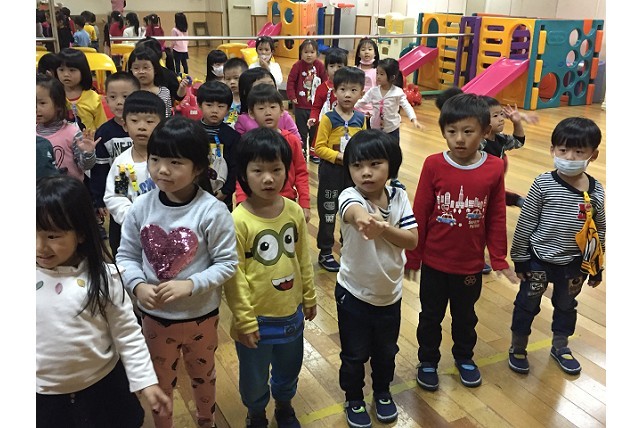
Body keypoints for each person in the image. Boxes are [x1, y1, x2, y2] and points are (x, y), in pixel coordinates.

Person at [116, 116, 238, 428]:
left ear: (198, 168)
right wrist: (137, 285)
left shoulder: (213, 211)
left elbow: (227, 263)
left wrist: (191, 284)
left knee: (203, 375)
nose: (162, 170)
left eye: (175, 162)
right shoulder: (140, 207)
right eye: (155, 159)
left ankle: (206, 420)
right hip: (155, 318)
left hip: (201, 317)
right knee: (160, 382)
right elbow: (126, 255)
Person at [36, 175, 172, 427]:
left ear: (80, 234)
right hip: (43, 397)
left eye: (52, 236)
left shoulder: (104, 278)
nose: (39, 246)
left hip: (103, 388)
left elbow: (127, 333)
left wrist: (146, 382)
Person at [405, 93, 519, 391]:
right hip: (434, 263)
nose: (459, 139)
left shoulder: (493, 167)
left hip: (469, 265)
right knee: (430, 316)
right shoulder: (433, 164)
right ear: (443, 131)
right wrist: (413, 256)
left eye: (468, 131)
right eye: (451, 131)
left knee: (465, 317)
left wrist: (498, 259)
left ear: (485, 132)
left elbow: (496, 216)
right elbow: (420, 213)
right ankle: (427, 361)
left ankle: (464, 357)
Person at [224, 127, 316, 428]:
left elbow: (302, 257)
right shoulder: (238, 221)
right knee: (253, 377)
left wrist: (309, 296)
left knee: (289, 368)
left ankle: (284, 405)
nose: (268, 178)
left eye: (276, 170)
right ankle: (256, 413)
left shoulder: (293, 211)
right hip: (256, 319)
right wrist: (245, 320)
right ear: (243, 173)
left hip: (290, 313)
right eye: (258, 171)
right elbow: (234, 277)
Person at [508, 117, 604, 376]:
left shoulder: (596, 191)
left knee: (566, 305)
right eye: (563, 150)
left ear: (593, 155)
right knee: (527, 304)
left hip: (574, 264)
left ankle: (560, 346)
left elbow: (599, 230)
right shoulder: (543, 184)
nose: (569, 157)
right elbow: (526, 222)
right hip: (538, 260)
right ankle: (518, 346)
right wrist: (520, 258)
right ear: (552, 150)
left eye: (579, 152)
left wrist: (596, 265)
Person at [335, 129, 418, 428]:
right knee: (354, 354)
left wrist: (383, 229)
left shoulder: (399, 196)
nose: (366, 173)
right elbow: (354, 212)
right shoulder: (350, 195)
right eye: (357, 166)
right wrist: (364, 219)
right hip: (353, 294)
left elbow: (412, 240)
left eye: (375, 164)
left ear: (391, 165)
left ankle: (382, 392)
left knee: (386, 353)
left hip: (390, 295)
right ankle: (354, 397)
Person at [314, 67, 367, 272]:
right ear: (334, 91)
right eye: (343, 89)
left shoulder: (361, 119)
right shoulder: (328, 118)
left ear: (361, 93)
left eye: (353, 90)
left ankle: (349, 249)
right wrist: (339, 157)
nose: (347, 94)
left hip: (352, 174)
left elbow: (364, 144)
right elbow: (319, 148)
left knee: (350, 211)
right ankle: (325, 251)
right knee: (328, 212)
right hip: (331, 172)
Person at [235, 84, 310, 222]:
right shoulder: (248, 143)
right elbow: (242, 175)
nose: (268, 112)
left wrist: (305, 203)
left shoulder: (291, 141)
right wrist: (241, 200)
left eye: (273, 107)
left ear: (282, 110)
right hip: (256, 203)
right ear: (251, 113)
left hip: (287, 201)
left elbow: (301, 173)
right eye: (261, 108)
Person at [103, 90, 165, 256]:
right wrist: (133, 219)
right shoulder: (124, 164)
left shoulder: (169, 159)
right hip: (134, 232)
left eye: (150, 121)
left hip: (167, 227)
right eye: (134, 121)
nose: (142, 126)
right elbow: (118, 196)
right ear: (125, 125)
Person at [355, 58, 423, 190]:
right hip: (375, 129)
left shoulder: (397, 92)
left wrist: (413, 119)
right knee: (375, 153)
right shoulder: (373, 91)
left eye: (381, 74)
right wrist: (350, 108)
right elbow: (362, 102)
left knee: (393, 153)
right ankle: (375, 175)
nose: (378, 77)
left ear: (391, 77)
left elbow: (406, 106)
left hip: (392, 129)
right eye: (377, 73)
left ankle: (394, 178)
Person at [90, 71, 140, 225]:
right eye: (113, 97)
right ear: (106, 99)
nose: (119, 102)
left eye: (125, 96)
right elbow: (100, 168)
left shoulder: (144, 127)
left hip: (146, 186)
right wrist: (99, 198)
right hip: (120, 185)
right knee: (120, 227)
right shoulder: (104, 132)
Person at [36, 74, 97, 182]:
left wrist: (88, 153)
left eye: (42, 103)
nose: (36, 108)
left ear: (58, 105)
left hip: (70, 190)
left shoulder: (72, 132)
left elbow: (86, 166)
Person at [481, 96, 538, 208]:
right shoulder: (478, 142)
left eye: (501, 114)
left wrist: (517, 122)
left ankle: (515, 200)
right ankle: (516, 200)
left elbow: (518, 142)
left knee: (494, 193)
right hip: (481, 181)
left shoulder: (500, 138)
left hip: (494, 177)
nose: (501, 119)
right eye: (495, 116)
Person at [196, 80, 240, 211]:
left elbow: (235, 167)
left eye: (221, 106)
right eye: (209, 105)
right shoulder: (191, 131)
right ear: (199, 105)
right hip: (194, 194)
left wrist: (226, 191)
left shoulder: (232, 136)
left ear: (228, 109)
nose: (215, 110)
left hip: (222, 196)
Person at [286, 39, 328, 159]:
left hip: (316, 106)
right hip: (300, 105)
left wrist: (325, 98)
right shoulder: (297, 66)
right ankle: (302, 151)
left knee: (315, 131)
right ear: (301, 53)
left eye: (312, 52)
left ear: (317, 53)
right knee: (301, 131)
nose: (309, 55)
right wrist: (292, 96)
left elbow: (325, 82)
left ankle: (314, 152)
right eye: (306, 52)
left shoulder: (320, 66)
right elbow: (291, 82)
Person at [307, 47, 348, 164]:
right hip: (326, 123)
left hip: (343, 124)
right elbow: (316, 107)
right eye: (332, 66)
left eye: (339, 66)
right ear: (326, 69)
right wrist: (313, 117)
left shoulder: (348, 87)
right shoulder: (322, 88)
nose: (335, 70)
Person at [235, 67, 300, 138]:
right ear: (245, 91)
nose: (267, 90)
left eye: (271, 86)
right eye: (260, 86)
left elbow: (296, 140)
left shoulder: (284, 116)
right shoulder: (243, 121)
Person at [56, 48, 107, 130]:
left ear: (83, 72)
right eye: (61, 70)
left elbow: (102, 126)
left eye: (72, 70)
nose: (66, 74)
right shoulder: (54, 96)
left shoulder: (93, 98)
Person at [129, 46, 187, 117]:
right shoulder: (129, 93)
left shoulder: (164, 92)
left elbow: (167, 116)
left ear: (155, 69)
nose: (141, 71)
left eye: (145, 67)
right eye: (136, 68)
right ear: (131, 70)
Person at [135, 37, 184, 105]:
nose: (141, 72)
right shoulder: (133, 76)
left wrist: (182, 87)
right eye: (136, 68)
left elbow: (178, 97)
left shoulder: (168, 76)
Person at [354, 38, 380, 121]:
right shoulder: (354, 70)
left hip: (373, 108)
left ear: (375, 53)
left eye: (370, 49)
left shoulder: (378, 71)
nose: (366, 52)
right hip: (356, 107)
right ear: (358, 54)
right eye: (363, 49)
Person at [223, 57, 249, 127]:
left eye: (236, 78)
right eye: (228, 79)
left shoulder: (250, 98)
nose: (232, 82)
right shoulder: (224, 98)